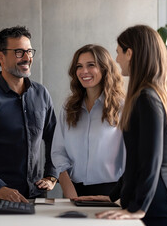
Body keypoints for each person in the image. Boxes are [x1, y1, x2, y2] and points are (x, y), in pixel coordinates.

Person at [89, 25, 167, 226]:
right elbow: (136, 160)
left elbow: (152, 159)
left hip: (160, 208)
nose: (117, 59)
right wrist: (112, 197)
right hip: (156, 203)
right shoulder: (150, 95)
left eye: (119, 52)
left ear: (130, 53)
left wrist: (139, 209)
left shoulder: (147, 98)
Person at [0, 26, 58, 202]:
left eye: (29, 51)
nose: (27, 58)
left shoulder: (41, 93)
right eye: (19, 52)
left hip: (37, 196)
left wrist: (51, 175)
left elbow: (55, 138)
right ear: (0, 56)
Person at [51, 44, 126, 199]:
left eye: (91, 65)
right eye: (79, 66)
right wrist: (70, 192)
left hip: (112, 194)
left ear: (105, 68)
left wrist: (118, 199)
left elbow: (130, 158)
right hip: (73, 192)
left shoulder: (122, 108)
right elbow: (58, 152)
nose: (84, 71)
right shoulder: (69, 108)